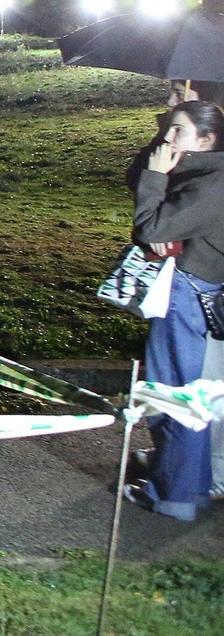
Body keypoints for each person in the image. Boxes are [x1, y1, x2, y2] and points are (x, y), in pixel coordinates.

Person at [127, 99, 224, 520]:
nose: (168, 137)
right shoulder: (200, 172)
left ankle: (173, 496)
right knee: (183, 393)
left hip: (186, 293)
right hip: (189, 290)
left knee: (172, 394)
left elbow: (150, 227)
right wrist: (156, 168)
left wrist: (156, 180)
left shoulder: (213, 186)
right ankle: (190, 488)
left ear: (206, 139)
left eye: (178, 130)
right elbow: (138, 176)